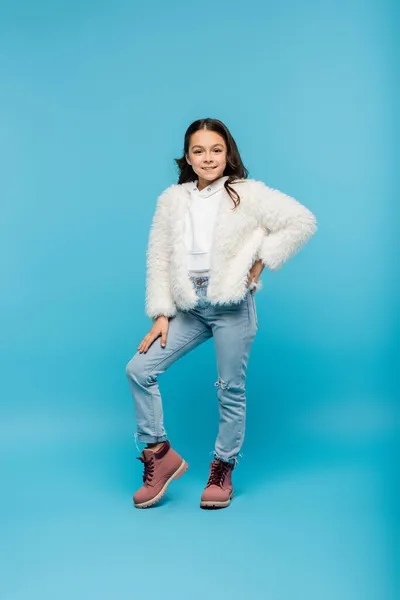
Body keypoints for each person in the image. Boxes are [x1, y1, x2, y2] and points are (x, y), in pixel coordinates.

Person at [126, 118, 317, 510]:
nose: (208, 158)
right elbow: (159, 257)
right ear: (188, 158)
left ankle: (223, 466)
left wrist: (262, 260)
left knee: (230, 389)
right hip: (190, 306)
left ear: (227, 153)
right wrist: (161, 312)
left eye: (216, 149)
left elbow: (302, 222)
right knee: (139, 369)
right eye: (199, 151)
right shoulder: (173, 200)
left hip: (232, 306)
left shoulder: (245, 193)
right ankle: (159, 455)